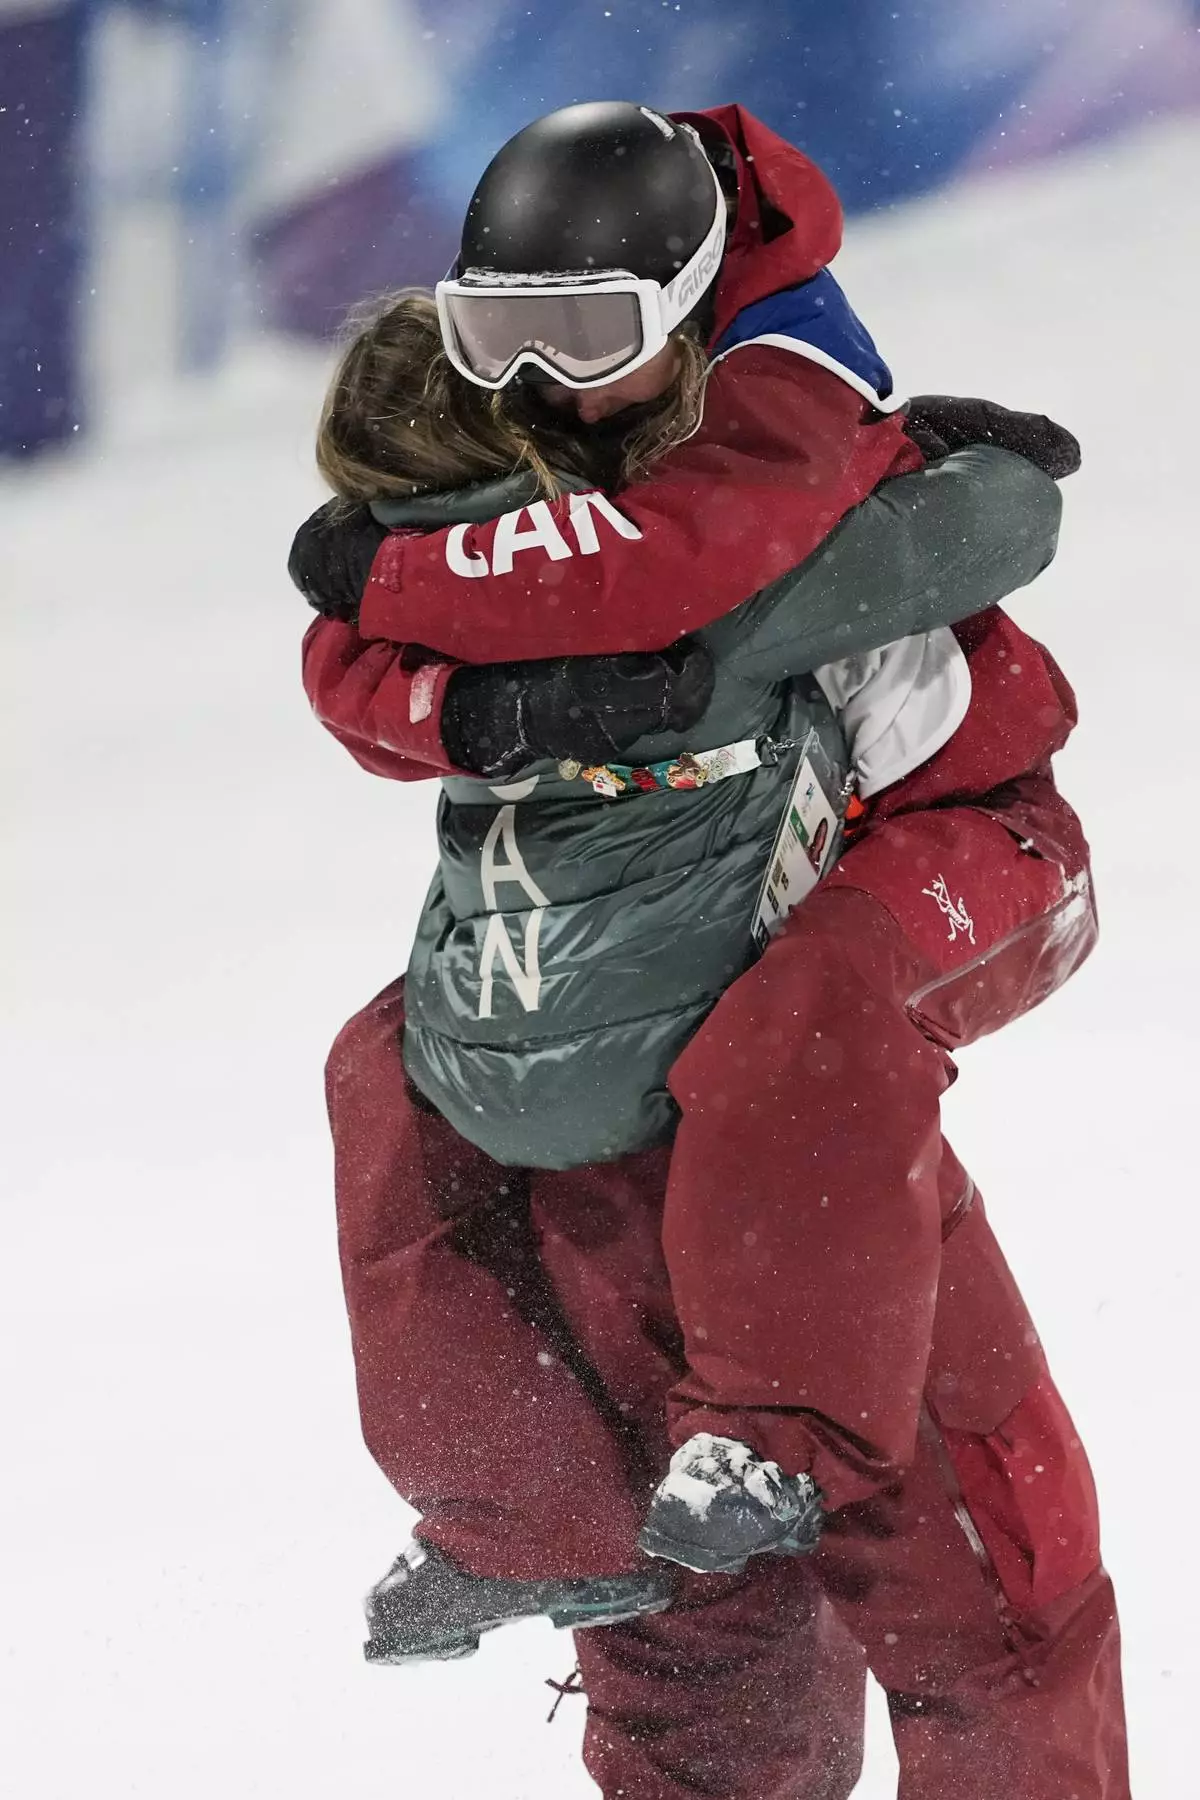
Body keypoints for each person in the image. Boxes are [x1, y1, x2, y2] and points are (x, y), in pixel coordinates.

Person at [294, 104, 1127, 1799]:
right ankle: (526, 1507)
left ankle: (778, 1434)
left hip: (960, 846)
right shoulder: (537, 449)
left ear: (682, 310)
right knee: (411, 1067)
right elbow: (356, 656)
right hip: (638, 963)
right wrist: (446, 673)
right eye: (494, 337)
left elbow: (848, 552)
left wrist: (415, 594)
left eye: (584, 336)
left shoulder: (774, 408)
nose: (534, 381)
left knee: (804, 1024)